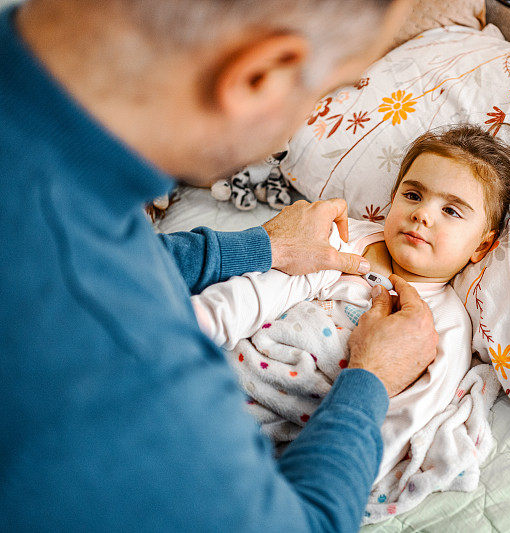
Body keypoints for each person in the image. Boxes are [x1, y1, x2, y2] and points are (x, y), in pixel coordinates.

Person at [0, 0, 449, 531]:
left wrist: (263, 247)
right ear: (258, 76)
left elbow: (121, 253)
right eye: (322, 94)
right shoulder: (122, 359)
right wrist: (370, 380)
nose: (290, 139)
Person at [191, 126, 510, 484]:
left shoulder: (445, 324)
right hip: (219, 371)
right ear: (393, 199)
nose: (423, 214)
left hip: (294, 433)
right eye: (412, 195)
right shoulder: (346, 239)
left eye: (452, 211)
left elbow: (407, 417)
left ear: (482, 247)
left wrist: (357, 471)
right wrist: (199, 321)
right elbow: (267, 288)